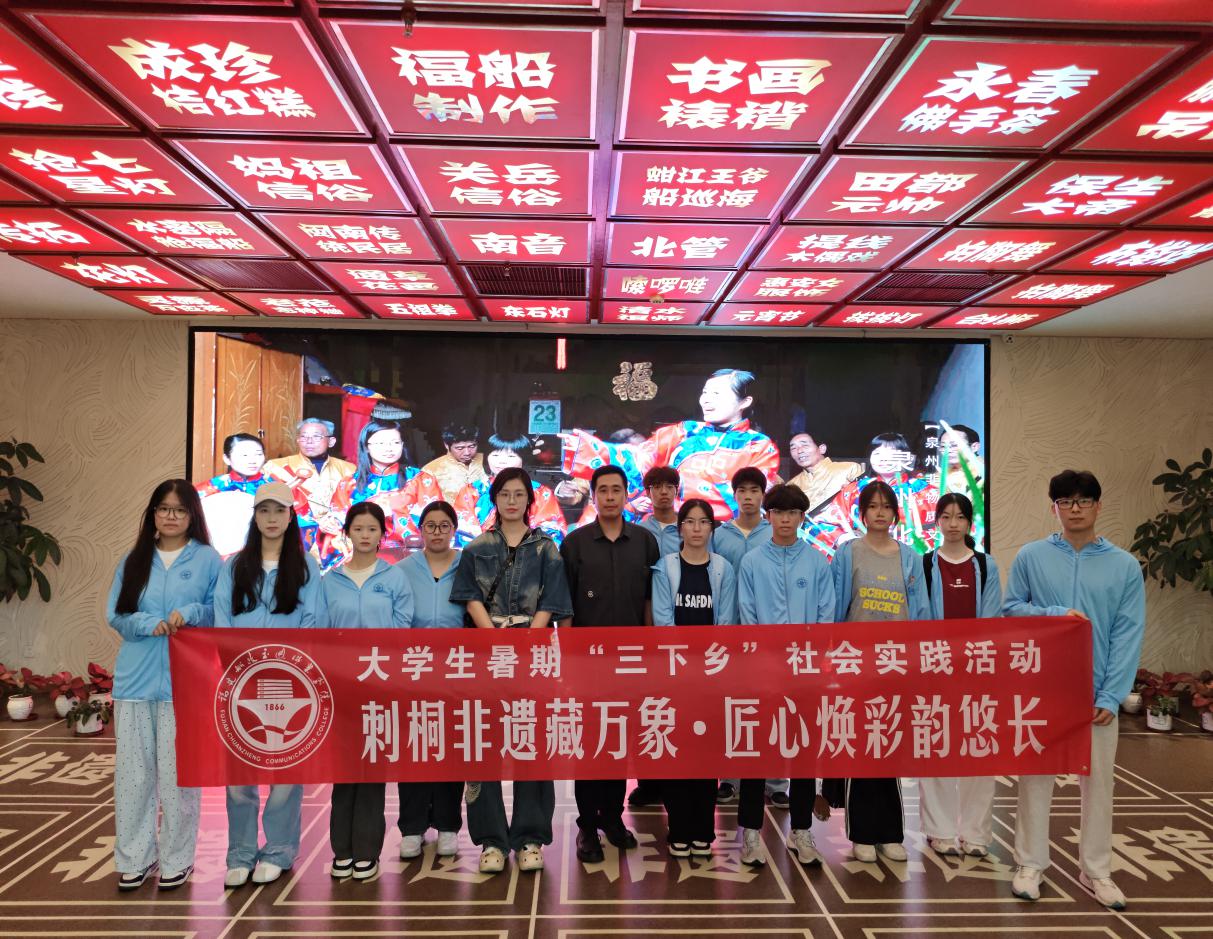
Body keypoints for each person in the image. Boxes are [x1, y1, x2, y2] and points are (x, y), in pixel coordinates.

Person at [1004, 470, 1145, 911]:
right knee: (1034, 779)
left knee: (1099, 784)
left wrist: (1111, 694)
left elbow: (1128, 633)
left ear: (1098, 506)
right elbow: (1011, 611)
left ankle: (1096, 869)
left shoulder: (1124, 566)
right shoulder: (1032, 556)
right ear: (1054, 508)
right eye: (1066, 501)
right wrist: (1053, 613)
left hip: (1096, 695)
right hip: (1041, 690)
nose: (1075, 508)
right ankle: (1030, 864)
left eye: (1084, 500)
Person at [450, 467, 573, 875]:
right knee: (482, 744)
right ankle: (491, 840)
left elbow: (552, 601)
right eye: (504, 494)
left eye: (519, 494)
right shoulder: (476, 547)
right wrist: (493, 638)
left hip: (533, 653)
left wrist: (529, 639)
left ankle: (530, 837)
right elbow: (469, 597)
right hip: (486, 654)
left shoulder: (547, 548)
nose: (512, 501)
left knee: (531, 742)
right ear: (495, 499)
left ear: (529, 500)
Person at [106, 480, 222, 892]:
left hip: (185, 685)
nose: (171, 516)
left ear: (193, 515)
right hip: (134, 682)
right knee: (134, 777)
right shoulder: (134, 559)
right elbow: (116, 615)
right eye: (163, 508)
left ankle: (177, 858)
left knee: (179, 778)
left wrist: (191, 612)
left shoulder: (208, 560)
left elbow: (220, 610)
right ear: (152, 513)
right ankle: (135, 858)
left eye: (179, 509)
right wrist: (144, 622)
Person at [215, 481, 327, 887]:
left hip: (289, 683)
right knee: (239, 772)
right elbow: (221, 621)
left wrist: (290, 665)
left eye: (280, 510)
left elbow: (315, 622)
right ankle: (240, 853)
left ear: (291, 516)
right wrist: (239, 666)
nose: (272, 518)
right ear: (255, 517)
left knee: (285, 771)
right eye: (264, 511)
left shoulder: (306, 565)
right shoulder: (234, 566)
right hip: (242, 684)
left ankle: (279, 849)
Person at [561, 464, 661, 863]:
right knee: (590, 744)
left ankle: (613, 818)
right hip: (587, 665)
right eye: (602, 490)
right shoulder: (575, 543)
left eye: (616, 490)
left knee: (619, 741)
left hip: (632, 663)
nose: (609, 497)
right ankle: (588, 825)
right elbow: (565, 607)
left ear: (625, 494)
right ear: (593, 495)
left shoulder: (645, 541)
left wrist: (651, 652)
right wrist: (567, 661)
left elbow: (651, 601)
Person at [829, 480, 929, 864]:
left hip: (896, 666)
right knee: (860, 747)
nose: (880, 512)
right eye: (873, 506)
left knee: (890, 748)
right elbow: (837, 608)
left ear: (895, 513)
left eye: (886, 506)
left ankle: (890, 833)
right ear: (862, 513)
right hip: (857, 664)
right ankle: (862, 833)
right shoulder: (848, 552)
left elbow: (919, 612)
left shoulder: (910, 557)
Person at [736, 484, 835, 868]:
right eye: (778, 512)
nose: (785, 520)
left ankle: (801, 830)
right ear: (769, 516)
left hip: (805, 674)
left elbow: (825, 616)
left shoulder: (816, 561)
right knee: (755, 754)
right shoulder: (752, 562)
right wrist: (767, 662)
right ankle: (750, 831)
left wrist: (810, 662)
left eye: (793, 513)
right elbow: (747, 616)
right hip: (763, 674)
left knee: (804, 753)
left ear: (802, 517)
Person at [321, 502, 413, 883]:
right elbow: (320, 632)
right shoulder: (329, 581)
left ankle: (367, 851)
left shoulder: (394, 578)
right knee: (343, 771)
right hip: (341, 688)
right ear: (347, 533)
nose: (364, 535)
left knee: (373, 769)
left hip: (380, 686)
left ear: (382, 535)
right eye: (357, 528)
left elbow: (403, 627)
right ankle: (341, 850)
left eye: (372, 529)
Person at [561, 369, 780, 523]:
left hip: (726, 533)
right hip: (671, 527)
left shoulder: (760, 446)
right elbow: (640, 459)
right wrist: (587, 448)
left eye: (716, 394)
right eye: (705, 393)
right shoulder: (684, 431)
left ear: (744, 402)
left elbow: (749, 495)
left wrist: (678, 486)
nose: (706, 400)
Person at [917, 493, 1003, 859]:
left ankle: (975, 832)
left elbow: (993, 618)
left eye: (960, 517)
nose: (953, 524)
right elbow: (920, 618)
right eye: (946, 516)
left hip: (977, 673)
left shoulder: (985, 564)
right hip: (934, 672)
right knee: (936, 749)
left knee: (978, 751)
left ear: (970, 522)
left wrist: (974, 661)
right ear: (937, 521)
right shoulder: (924, 564)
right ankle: (939, 831)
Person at [650, 498, 737, 856]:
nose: (697, 528)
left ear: (712, 529)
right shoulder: (665, 567)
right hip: (675, 677)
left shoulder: (723, 568)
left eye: (704, 522)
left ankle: (703, 829)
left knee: (706, 752)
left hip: (711, 677)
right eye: (690, 521)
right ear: (680, 528)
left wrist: (708, 670)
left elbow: (726, 623)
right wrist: (683, 670)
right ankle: (679, 828)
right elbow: (663, 622)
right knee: (677, 752)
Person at [396, 500, 466, 861]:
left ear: (454, 529)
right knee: (414, 748)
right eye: (430, 526)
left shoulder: (466, 565)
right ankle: (412, 827)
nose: (437, 532)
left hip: (456, 669)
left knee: (451, 748)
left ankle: (448, 824)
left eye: (444, 526)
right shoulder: (403, 570)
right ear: (420, 530)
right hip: (414, 670)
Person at [712, 467, 779, 807]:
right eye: (743, 490)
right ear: (734, 494)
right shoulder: (719, 534)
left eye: (755, 490)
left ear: (763, 495)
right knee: (731, 706)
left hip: (767, 635)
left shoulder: (775, 531)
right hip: (729, 634)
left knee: (771, 706)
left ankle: (777, 781)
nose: (749, 497)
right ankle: (730, 778)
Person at [323, 418, 442, 567]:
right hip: (360, 559)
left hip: (407, 560)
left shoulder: (421, 480)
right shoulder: (348, 484)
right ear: (366, 447)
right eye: (381, 443)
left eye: (395, 442)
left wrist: (394, 512)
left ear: (402, 445)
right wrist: (331, 527)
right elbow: (337, 527)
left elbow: (436, 524)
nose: (389, 448)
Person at [822, 433, 938, 551]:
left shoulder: (925, 492)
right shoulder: (855, 490)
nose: (883, 459)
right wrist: (842, 538)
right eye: (877, 453)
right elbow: (824, 522)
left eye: (891, 454)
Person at [454, 431, 566, 545]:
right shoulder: (472, 491)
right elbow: (462, 528)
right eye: (495, 455)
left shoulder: (540, 492)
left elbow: (550, 529)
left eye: (511, 456)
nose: (501, 461)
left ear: (523, 459)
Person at [265, 418, 355, 557]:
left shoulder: (349, 469)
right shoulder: (276, 467)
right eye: (303, 436)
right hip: (295, 538)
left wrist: (337, 521)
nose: (309, 441)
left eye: (316, 436)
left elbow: (355, 504)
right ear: (297, 440)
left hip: (337, 539)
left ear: (331, 441)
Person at [196, 433, 280, 557]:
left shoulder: (275, 487)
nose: (253, 460)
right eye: (244, 455)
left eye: (258, 454)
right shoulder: (213, 486)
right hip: (219, 556)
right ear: (227, 458)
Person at [786, 432, 863, 512]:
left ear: (822, 449)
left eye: (805, 445)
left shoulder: (849, 469)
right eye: (793, 448)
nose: (799, 451)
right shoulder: (791, 486)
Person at [422, 422, 487, 503]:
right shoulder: (430, 470)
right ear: (446, 445)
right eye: (460, 448)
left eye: (472, 446)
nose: (467, 453)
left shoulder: (489, 461)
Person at [638, 465, 682, 558]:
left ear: (676, 491)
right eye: (657, 487)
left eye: (669, 486)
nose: (664, 492)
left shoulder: (688, 529)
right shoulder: (640, 531)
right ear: (648, 492)